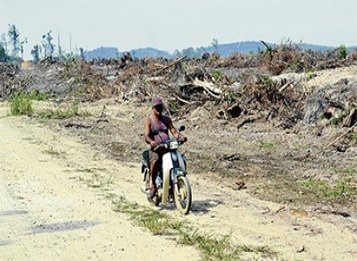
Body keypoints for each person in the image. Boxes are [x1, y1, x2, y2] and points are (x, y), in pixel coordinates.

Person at [144, 97, 187, 201]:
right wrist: (152, 142)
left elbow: (174, 131)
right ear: (153, 108)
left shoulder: (166, 119)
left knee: (181, 159)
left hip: (167, 146)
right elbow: (146, 136)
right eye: (157, 107)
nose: (159, 109)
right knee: (156, 160)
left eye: (160, 107)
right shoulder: (149, 120)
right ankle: (153, 184)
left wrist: (180, 137)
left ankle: (177, 180)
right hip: (157, 148)